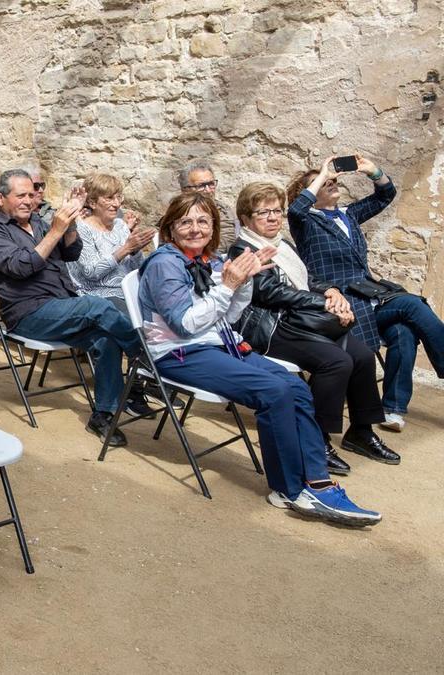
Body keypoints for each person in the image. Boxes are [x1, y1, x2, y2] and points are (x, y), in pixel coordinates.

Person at [138, 191, 381, 526]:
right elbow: (186, 324)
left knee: (295, 388)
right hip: (181, 353)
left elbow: (230, 315)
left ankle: (318, 481)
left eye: (203, 221)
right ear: (170, 228)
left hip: (221, 343)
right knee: (274, 391)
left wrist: (243, 284)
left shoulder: (210, 260)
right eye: (186, 222)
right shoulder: (165, 264)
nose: (195, 228)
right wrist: (228, 285)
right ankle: (288, 489)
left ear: (214, 226)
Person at [229, 181, 396, 474]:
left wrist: (330, 291)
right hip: (270, 328)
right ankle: (315, 439)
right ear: (245, 218)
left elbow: (306, 279)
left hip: (300, 320)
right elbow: (269, 292)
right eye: (262, 212)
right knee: (336, 362)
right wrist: (323, 304)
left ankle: (361, 430)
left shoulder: (282, 245)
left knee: (362, 354)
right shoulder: (243, 249)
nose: (272, 218)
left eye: (277, 211)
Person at [0, 170, 143, 444]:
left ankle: (103, 414)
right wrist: (56, 229)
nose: (28, 201)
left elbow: (70, 252)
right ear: (0, 198)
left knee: (105, 339)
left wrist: (71, 224)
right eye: (21, 195)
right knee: (95, 305)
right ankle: (145, 355)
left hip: (61, 306)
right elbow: (22, 268)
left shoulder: (39, 223)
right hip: (28, 314)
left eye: (31, 195)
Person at [288, 155, 444, 433]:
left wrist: (373, 171)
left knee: (402, 331)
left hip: (370, 294)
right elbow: (295, 210)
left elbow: (385, 195)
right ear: (311, 193)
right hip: (343, 302)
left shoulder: (348, 214)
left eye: (334, 181)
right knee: (412, 305)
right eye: (325, 183)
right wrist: (322, 172)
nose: (332, 184)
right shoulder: (306, 222)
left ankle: (392, 410)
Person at [68, 173, 152, 305]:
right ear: (92, 203)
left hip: (130, 292)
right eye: (109, 198)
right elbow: (91, 272)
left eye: (118, 197)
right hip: (99, 297)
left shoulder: (120, 225)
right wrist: (126, 249)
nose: (117, 204)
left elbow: (139, 269)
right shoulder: (82, 229)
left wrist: (135, 251)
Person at [178, 161, 237, 254]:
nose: (208, 190)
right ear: (185, 189)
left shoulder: (224, 210)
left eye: (211, 184)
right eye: (201, 186)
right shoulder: (177, 213)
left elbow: (230, 240)